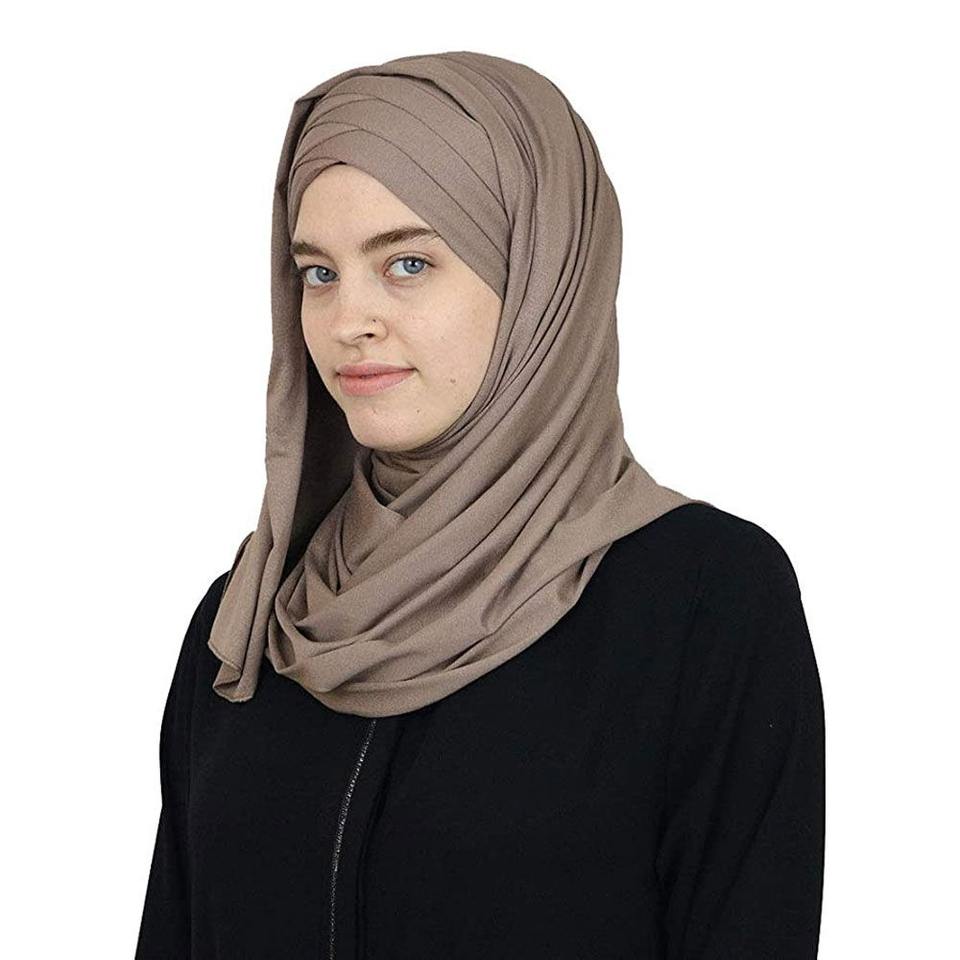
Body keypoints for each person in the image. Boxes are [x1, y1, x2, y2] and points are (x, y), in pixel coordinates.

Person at [135, 50, 825, 960]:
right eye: (318, 272)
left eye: (408, 262)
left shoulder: (702, 600)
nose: (347, 321)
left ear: (540, 277)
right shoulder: (250, 620)